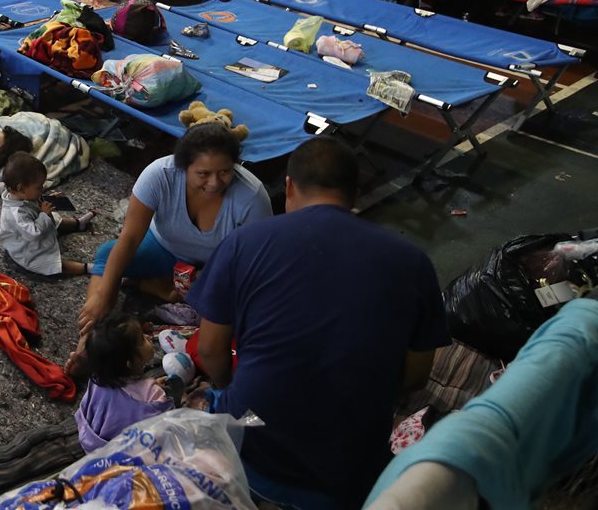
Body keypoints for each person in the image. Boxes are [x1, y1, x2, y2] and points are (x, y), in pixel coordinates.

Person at [189, 137, 448, 509]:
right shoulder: (413, 262)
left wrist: (235, 385)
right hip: (347, 466)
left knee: (218, 404)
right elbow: (417, 376)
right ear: (355, 194)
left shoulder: (244, 243)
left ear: (290, 187)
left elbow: (211, 350)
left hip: (254, 437)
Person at [75, 124, 271, 336]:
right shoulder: (159, 175)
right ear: (183, 166)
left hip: (217, 267)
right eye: (203, 173)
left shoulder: (252, 198)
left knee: (239, 308)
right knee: (107, 257)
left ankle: (158, 285)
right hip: (165, 248)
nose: (214, 183)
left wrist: (207, 278)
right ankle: (89, 340)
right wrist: (104, 296)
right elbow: (130, 239)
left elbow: (252, 265)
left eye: (225, 171)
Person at [74, 314, 174, 453]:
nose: (147, 337)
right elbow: (164, 425)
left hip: (89, 441)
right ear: (130, 363)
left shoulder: (99, 379)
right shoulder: (153, 393)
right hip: (121, 455)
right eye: (141, 340)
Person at [0, 152, 95, 279]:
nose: (42, 189)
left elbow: (33, 199)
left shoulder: (21, 194)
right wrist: (44, 216)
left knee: (56, 220)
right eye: (39, 187)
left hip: (36, 222)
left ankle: (78, 223)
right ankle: (87, 268)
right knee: (51, 265)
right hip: (25, 246)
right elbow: (32, 234)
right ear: (21, 189)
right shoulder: (15, 214)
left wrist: (50, 198)